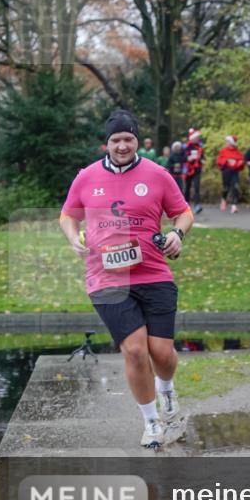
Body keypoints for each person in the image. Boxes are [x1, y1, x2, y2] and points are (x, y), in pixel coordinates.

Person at [59, 110, 193, 447]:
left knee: (161, 353)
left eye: (128, 139)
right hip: (106, 278)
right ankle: (151, 423)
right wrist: (73, 238)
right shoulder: (87, 177)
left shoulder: (158, 174)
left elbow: (183, 212)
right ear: (107, 142)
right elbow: (68, 215)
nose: (122, 146)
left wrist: (177, 233)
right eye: (116, 140)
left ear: (137, 141)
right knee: (134, 351)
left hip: (153, 272)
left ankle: (168, 391)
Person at [217, 135, 245, 214]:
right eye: (226, 142)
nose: (227, 143)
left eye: (228, 142)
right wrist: (227, 160)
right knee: (226, 187)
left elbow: (241, 162)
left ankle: (234, 205)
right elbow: (219, 161)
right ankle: (223, 199)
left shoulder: (237, 152)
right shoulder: (223, 151)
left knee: (236, 187)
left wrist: (238, 163)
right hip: (226, 172)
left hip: (235, 172)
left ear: (232, 143)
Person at [183, 128, 204, 214]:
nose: (198, 139)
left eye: (198, 137)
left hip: (197, 169)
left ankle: (197, 205)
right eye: (197, 137)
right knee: (187, 187)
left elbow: (203, 157)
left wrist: (202, 160)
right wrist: (188, 158)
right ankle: (185, 205)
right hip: (188, 170)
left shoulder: (200, 147)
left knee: (196, 187)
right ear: (192, 138)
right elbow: (183, 158)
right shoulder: (186, 146)